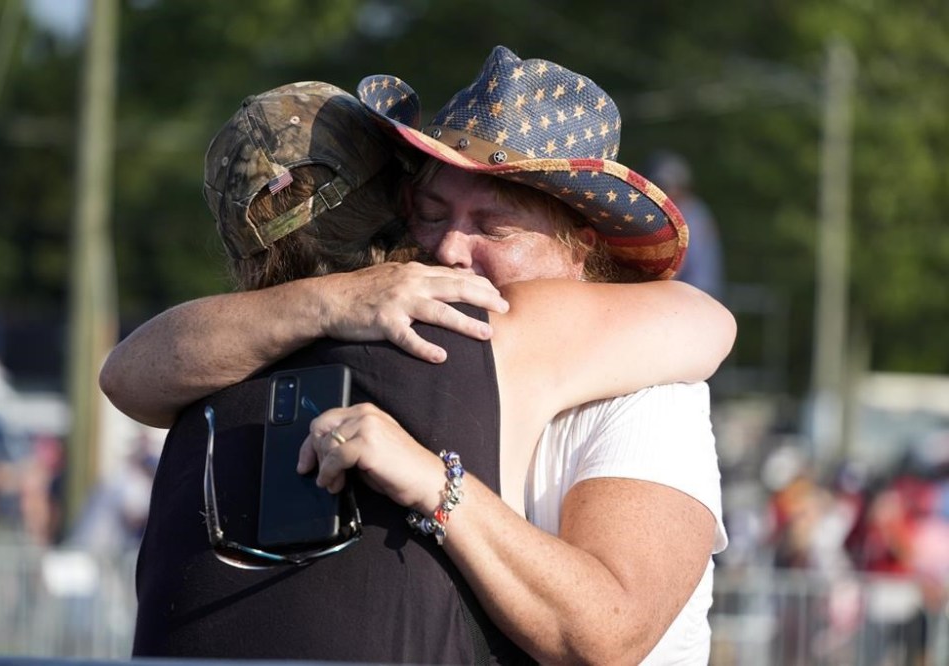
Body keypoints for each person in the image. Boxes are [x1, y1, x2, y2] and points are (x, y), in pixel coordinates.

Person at [105, 47, 733, 664]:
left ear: (580, 247)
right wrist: (334, 300)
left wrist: (436, 483)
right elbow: (128, 374)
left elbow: (609, 634)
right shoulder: (370, 332)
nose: (451, 250)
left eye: (494, 227)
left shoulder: (651, 390)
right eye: (430, 214)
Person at [645, 150, 725, 300]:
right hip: (692, 294)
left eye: (666, 187)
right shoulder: (693, 211)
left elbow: (681, 268)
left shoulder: (691, 217)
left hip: (694, 297)